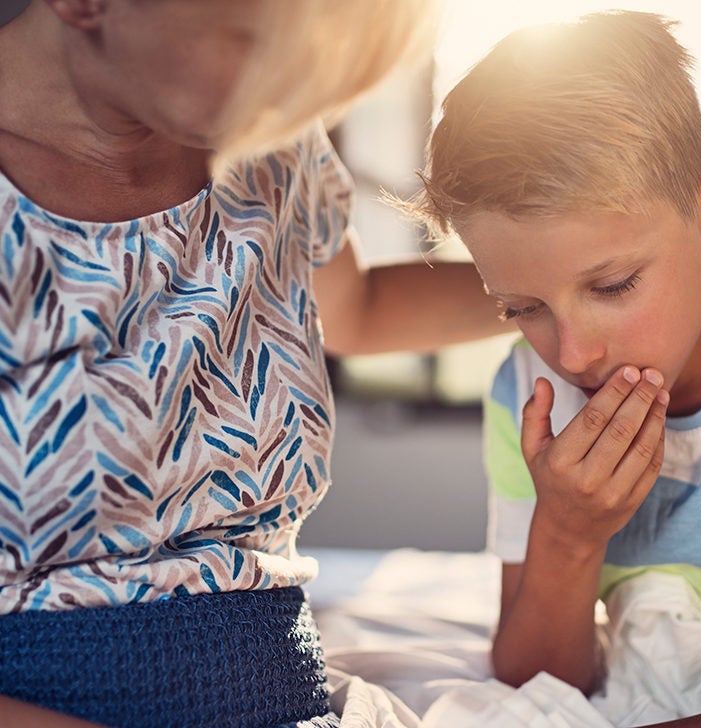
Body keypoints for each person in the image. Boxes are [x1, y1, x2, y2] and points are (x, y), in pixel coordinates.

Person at [0, 1, 512, 726]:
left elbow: (358, 306)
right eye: (254, 46)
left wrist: (568, 292)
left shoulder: (271, 144)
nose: (299, 91)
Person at [406, 10, 701, 726]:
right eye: (520, 307)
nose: (574, 355)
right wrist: (568, 533)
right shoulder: (527, 394)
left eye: (613, 287)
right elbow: (537, 679)